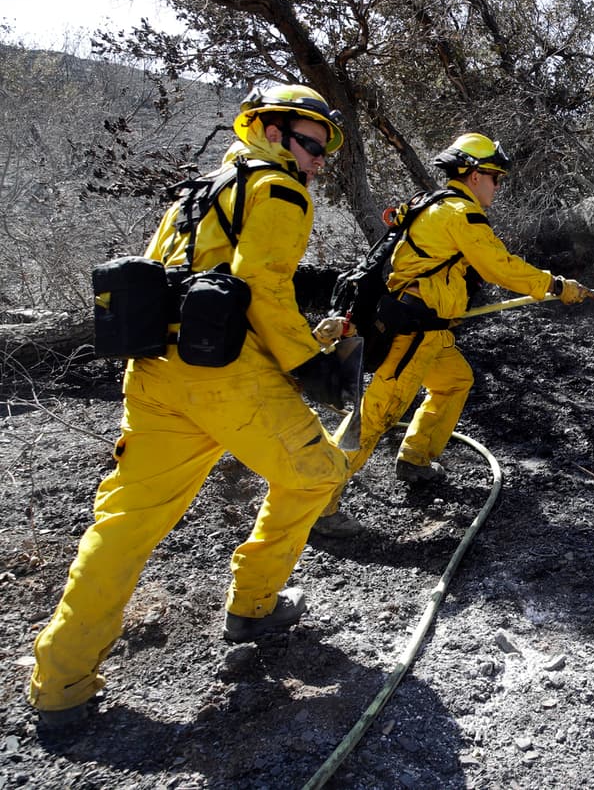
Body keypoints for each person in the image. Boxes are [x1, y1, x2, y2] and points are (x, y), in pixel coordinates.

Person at [28, 85, 352, 729]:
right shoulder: (280, 190)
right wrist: (309, 364)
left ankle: (61, 684)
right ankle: (254, 603)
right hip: (227, 379)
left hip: (152, 374)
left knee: (122, 524)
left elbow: (170, 275)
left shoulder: (198, 190)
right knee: (319, 473)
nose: (318, 162)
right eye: (313, 145)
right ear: (273, 131)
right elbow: (260, 288)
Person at [311, 132, 591, 537]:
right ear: (474, 175)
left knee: (455, 381)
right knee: (376, 416)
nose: (498, 186)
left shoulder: (437, 204)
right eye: (496, 177)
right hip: (413, 332)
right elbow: (500, 266)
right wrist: (556, 285)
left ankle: (415, 459)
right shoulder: (460, 213)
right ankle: (317, 501)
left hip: (430, 331)